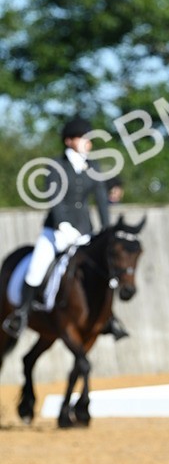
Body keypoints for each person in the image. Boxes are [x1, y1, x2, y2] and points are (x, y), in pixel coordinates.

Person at [3, 116, 127, 341]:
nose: (89, 142)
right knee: (36, 268)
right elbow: (55, 199)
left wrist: (107, 231)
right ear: (70, 141)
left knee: (103, 269)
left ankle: (108, 317)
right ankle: (21, 314)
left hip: (84, 232)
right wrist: (62, 226)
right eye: (84, 138)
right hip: (56, 232)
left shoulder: (93, 167)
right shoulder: (56, 166)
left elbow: (100, 199)